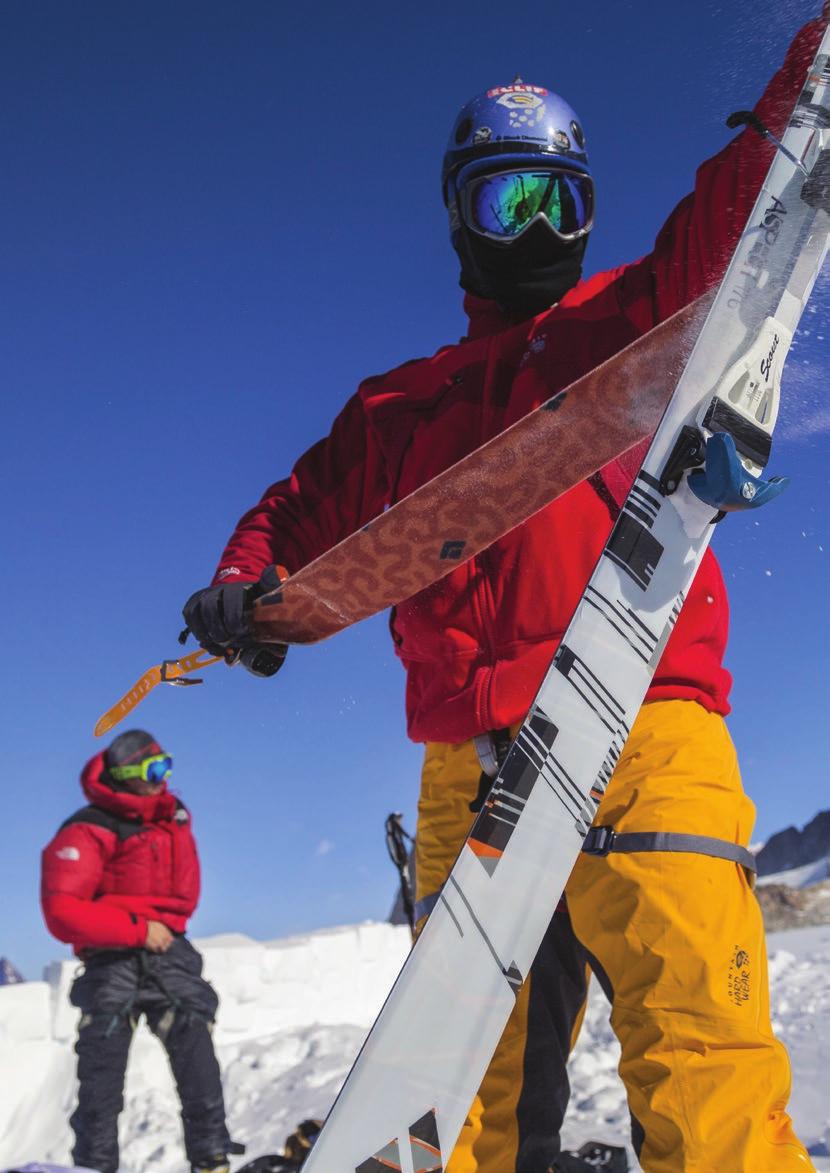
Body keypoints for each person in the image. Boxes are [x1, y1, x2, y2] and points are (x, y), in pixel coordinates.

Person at [180, 10, 827, 1172]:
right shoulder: (399, 408)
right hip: (464, 769)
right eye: (504, 203)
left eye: (557, 203)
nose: (534, 231)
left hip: (642, 723)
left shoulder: (642, 321)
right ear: (456, 217)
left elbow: (740, 207)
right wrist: (247, 587)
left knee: (702, 1066)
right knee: (452, 1104)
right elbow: (297, 507)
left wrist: (804, 80)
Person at [41, 730, 235, 1173]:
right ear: (127, 775)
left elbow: (181, 898)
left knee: (201, 1075)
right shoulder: (88, 827)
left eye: (167, 766)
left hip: (169, 952)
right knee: (100, 1093)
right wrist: (136, 930)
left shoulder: (171, 820)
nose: (163, 780)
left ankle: (212, 1163)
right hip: (113, 961)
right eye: (154, 770)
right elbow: (61, 909)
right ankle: (95, 1168)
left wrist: (155, 931)